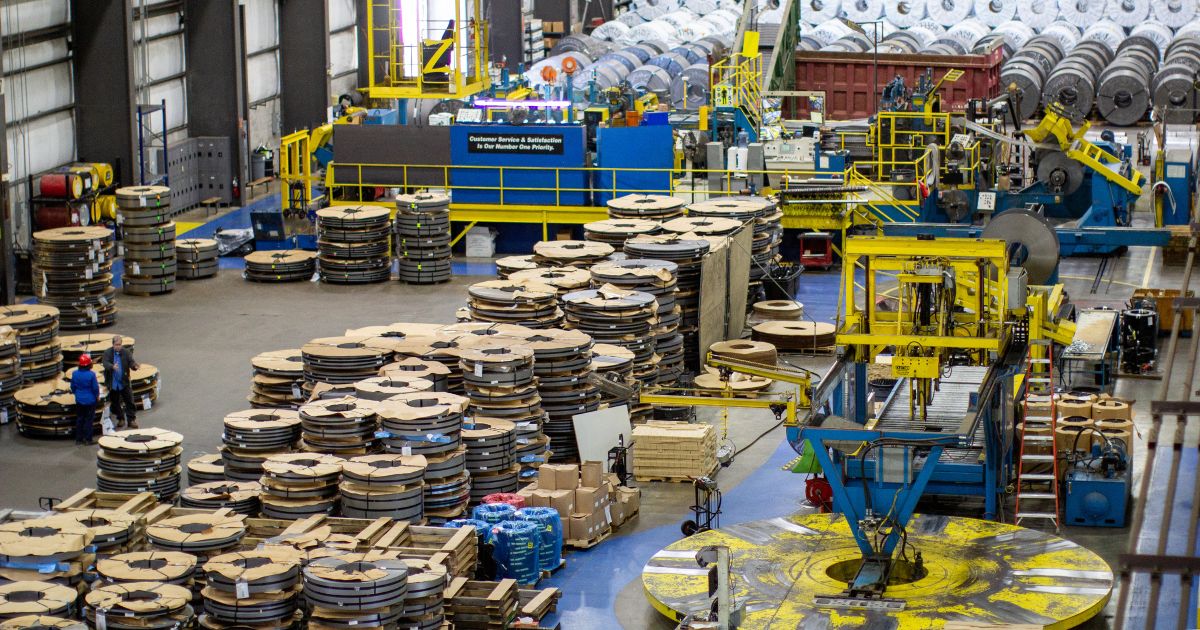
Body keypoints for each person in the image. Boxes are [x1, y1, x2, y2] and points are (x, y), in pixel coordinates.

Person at [102, 335, 139, 429]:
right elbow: (105, 363)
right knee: (115, 402)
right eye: (116, 344)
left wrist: (134, 366)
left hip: (124, 382)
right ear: (113, 344)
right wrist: (112, 366)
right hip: (113, 383)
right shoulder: (107, 353)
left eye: (119, 344)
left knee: (129, 401)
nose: (118, 346)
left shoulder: (126, 352)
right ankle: (120, 418)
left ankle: (131, 420)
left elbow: (131, 362)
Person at [70, 354, 100, 445]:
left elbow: (72, 386)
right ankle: (88, 439)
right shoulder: (91, 375)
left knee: (80, 419)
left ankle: (78, 439)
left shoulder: (75, 373)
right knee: (88, 420)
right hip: (90, 401)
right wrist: (97, 395)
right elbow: (95, 388)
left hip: (79, 400)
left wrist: (77, 393)